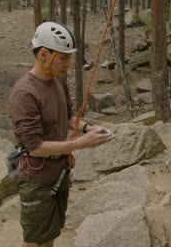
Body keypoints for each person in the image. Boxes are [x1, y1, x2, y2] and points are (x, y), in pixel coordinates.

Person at [9, 22, 115, 247]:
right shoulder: (25, 93)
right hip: (36, 179)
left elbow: (67, 117)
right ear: (44, 54)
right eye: (63, 58)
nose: (68, 64)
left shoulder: (58, 80)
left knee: (51, 234)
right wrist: (80, 144)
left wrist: (88, 128)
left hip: (59, 172)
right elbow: (35, 146)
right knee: (35, 241)